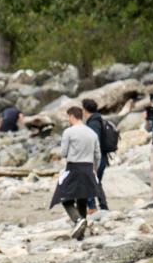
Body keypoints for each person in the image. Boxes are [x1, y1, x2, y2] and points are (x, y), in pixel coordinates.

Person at [49, 105, 102, 237]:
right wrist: (95, 169)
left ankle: (78, 219)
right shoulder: (92, 133)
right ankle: (81, 233)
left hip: (74, 168)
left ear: (72, 116)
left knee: (63, 197)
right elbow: (98, 155)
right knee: (82, 198)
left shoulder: (69, 132)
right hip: (89, 168)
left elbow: (63, 152)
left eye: (68, 117)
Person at [80, 100, 115, 213]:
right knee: (96, 182)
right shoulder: (99, 120)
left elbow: (94, 142)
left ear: (85, 110)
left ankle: (92, 207)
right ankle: (103, 207)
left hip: (97, 158)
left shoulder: (93, 123)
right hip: (103, 157)